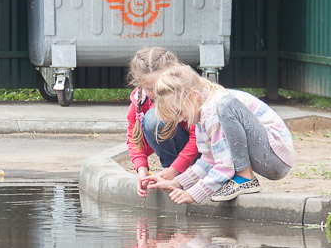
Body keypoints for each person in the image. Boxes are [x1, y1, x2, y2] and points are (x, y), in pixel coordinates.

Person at [147, 64, 294, 203]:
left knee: (225, 105)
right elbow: (209, 160)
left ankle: (245, 178)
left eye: (179, 112)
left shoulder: (214, 108)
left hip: (275, 157)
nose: (179, 119)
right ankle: (243, 176)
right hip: (267, 157)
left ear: (194, 94)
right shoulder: (200, 110)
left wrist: (193, 194)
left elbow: (225, 166)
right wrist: (176, 183)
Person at [125, 47, 199, 198]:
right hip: (181, 157)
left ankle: (176, 173)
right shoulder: (139, 102)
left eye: (161, 84)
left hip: (203, 153)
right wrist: (141, 170)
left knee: (155, 116)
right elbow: (134, 140)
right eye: (150, 88)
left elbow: (197, 137)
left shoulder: (188, 95)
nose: (157, 92)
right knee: (153, 119)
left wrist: (174, 170)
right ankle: (173, 173)